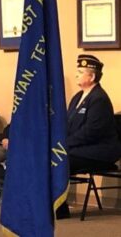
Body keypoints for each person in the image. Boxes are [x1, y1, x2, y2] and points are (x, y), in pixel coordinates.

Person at [57, 54, 121, 219]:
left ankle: (59, 208)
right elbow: (68, 125)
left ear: (92, 76)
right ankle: (54, 205)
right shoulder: (78, 97)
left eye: (80, 72)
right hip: (79, 148)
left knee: (57, 159)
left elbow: (91, 132)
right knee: (51, 156)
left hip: (99, 151)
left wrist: (65, 145)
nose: (76, 75)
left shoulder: (99, 99)